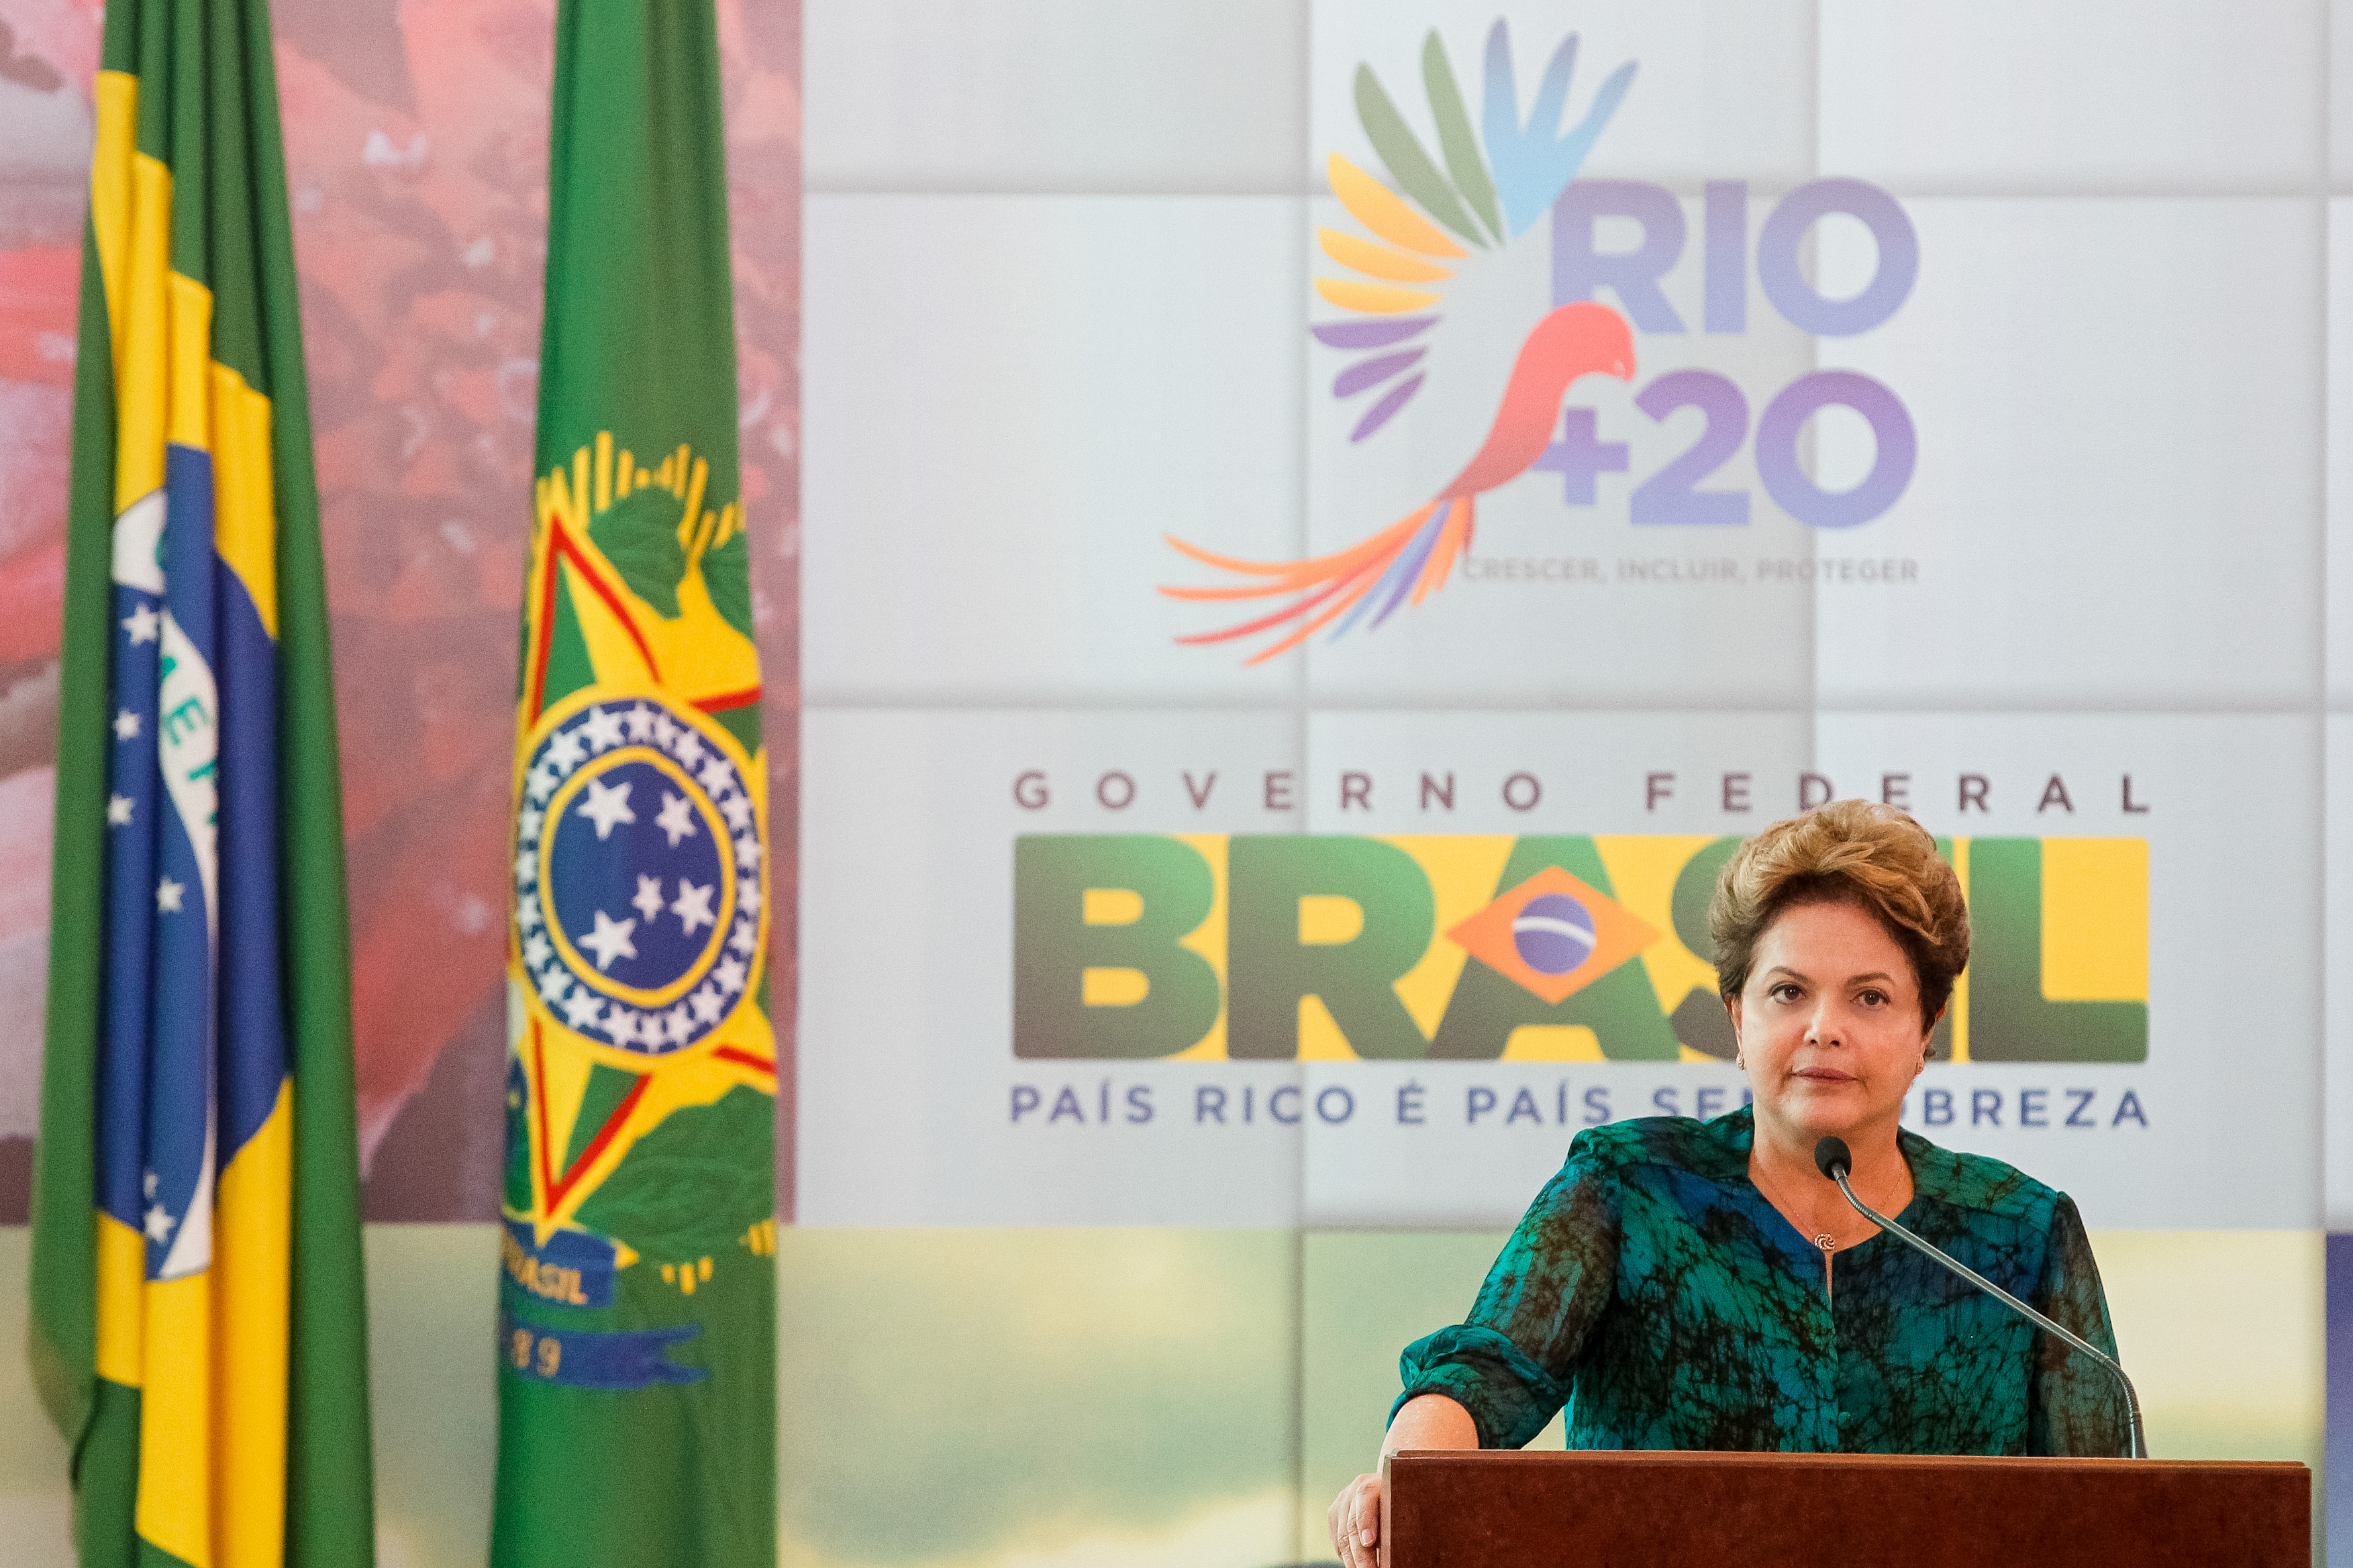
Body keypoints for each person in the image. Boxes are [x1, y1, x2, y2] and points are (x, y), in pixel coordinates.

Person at [1327, 800, 2130, 1568]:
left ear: (1925, 1030)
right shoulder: (1630, 1188)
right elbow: (1489, 1370)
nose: (1823, 1028)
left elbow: (2104, 1512)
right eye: (1788, 992)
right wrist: (1407, 1483)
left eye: (1869, 997)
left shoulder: (2017, 1232)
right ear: (1737, 1019)